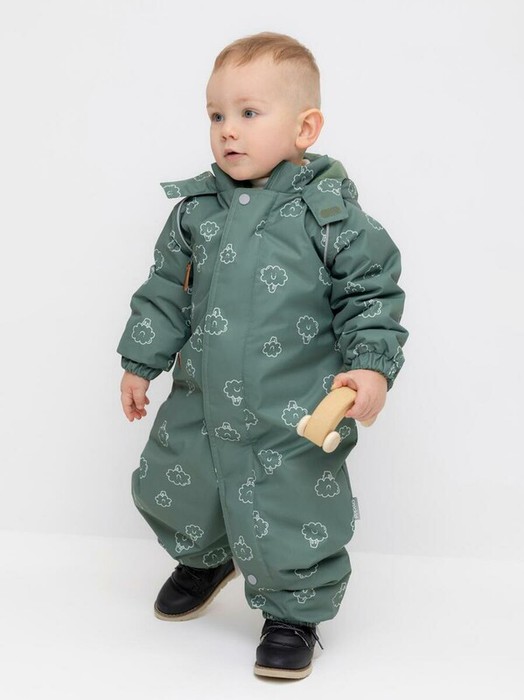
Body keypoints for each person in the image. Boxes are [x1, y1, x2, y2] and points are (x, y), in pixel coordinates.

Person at [117, 31, 408, 680]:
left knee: (292, 507)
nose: (228, 129)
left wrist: (370, 364)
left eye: (249, 113)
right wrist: (140, 362)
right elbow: (165, 291)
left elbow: (370, 295)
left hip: (292, 407)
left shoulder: (329, 217)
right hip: (201, 396)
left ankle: (293, 612)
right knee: (177, 482)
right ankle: (207, 556)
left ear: (305, 128)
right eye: (216, 114)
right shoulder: (197, 212)